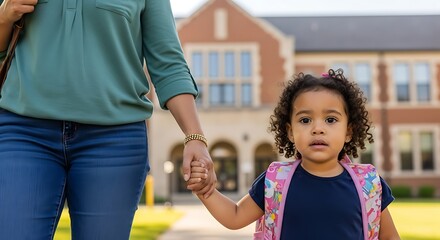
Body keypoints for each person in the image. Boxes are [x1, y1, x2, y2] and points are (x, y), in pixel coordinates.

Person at [0, 0, 216, 239]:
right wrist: (3, 17)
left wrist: (195, 137)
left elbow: (168, 62)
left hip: (114, 141)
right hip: (24, 132)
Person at [188, 69, 400, 239]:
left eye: (331, 120)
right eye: (305, 120)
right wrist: (205, 190)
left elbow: (389, 236)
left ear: (349, 131)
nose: (318, 128)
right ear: (290, 131)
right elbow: (235, 217)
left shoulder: (369, 185)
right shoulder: (275, 182)